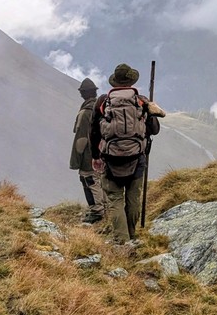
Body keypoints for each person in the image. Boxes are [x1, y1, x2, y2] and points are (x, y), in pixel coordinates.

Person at [88, 63, 162, 244]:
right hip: (137, 158)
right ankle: (132, 236)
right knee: (133, 197)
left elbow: (93, 131)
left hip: (110, 158)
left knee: (114, 199)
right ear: (131, 81)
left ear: (115, 82)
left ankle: (121, 241)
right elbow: (154, 129)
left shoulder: (103, 102)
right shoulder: (141, 101)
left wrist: (96, 157)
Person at [69, 77, 107, 224]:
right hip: (103, 150)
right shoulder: (101, 108)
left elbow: (81, 138)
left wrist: (77, 158)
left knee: (89, 179)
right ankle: (103, 207)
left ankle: (97, 210)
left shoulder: (85, 112)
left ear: (84, 93)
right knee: (99, 179)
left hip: (88, 154)